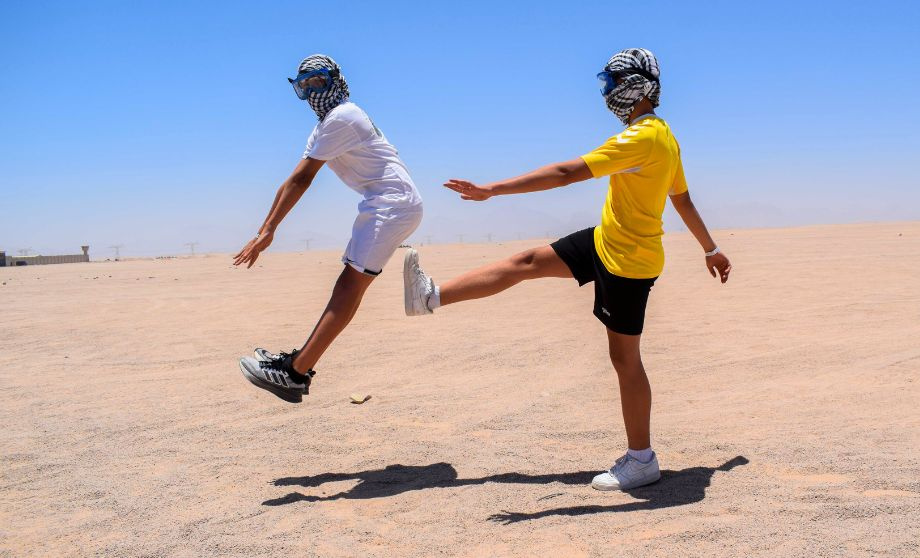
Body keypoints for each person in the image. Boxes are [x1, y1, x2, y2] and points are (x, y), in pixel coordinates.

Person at [403, 48, 731, 491]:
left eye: (612, 83)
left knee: (624, 359)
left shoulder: (646, 139)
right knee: (526, 262)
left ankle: (642, 461)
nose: (606, 92)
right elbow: (683, 199)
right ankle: (430, 297)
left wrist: (492, 190)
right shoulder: (663, 137)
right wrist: (710, 248)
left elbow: (565, 173)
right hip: (605, 240)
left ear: (635, 86)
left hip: (628, 262)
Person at [235, 54, 423, 403]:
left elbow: (303, 179)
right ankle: (297, 365)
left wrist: (269, 231)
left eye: (318, 82)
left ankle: (294, 373)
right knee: (349, 284)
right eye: (303, 87)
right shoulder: (326, 125)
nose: (312, 93)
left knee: (349, 285)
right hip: (385, 203)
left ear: (335, 80)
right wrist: (265, 229)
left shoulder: (343, 116)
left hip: (391, 204)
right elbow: (293, 178)